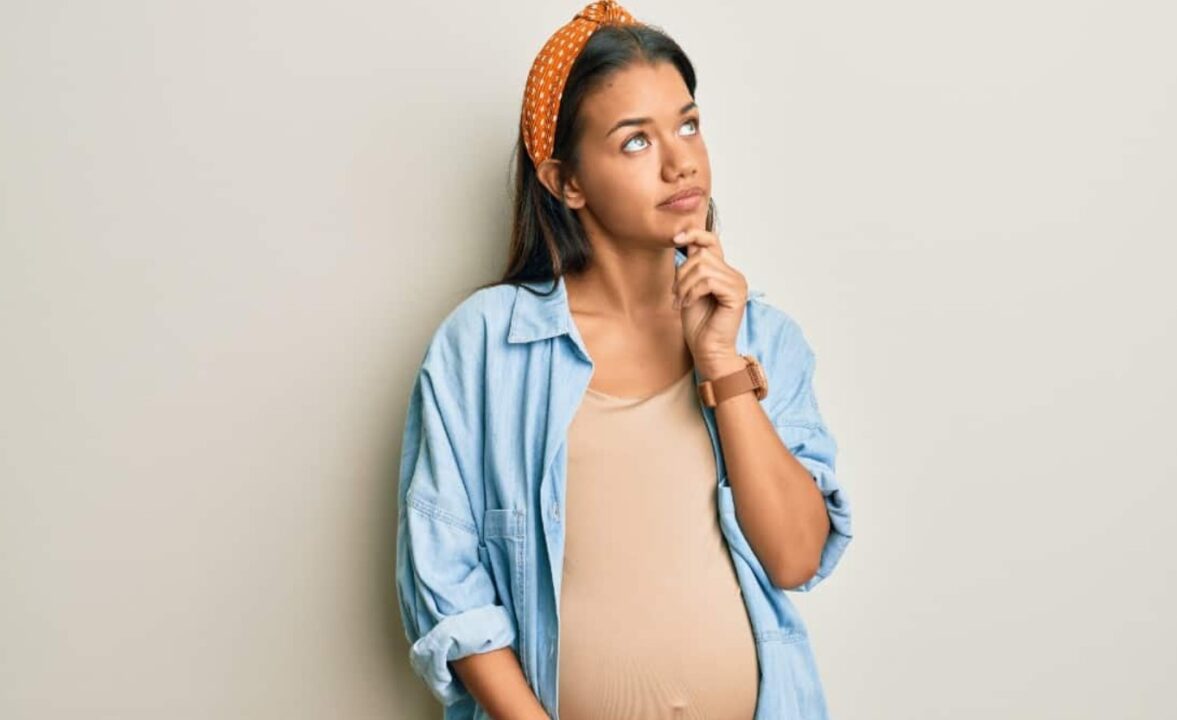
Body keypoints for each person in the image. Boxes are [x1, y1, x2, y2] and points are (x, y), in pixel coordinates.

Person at [395, 2, 853, 718]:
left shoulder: (764, 339)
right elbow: (446, 580)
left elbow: (794, 559)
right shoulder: (483, 345)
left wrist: (721, 364)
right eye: (634, 142)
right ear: (564, 181)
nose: (681, 161)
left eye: (688, 124)